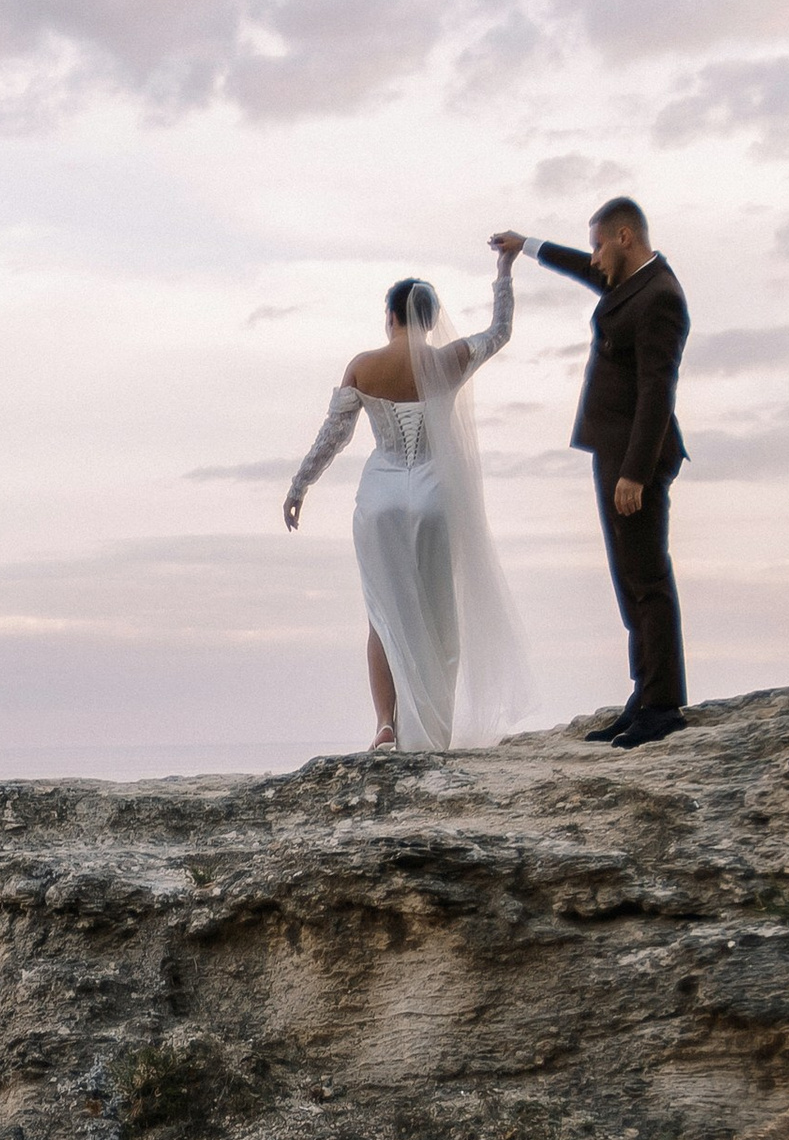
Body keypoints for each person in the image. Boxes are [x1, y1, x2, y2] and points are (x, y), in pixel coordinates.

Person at [282, 253, 532, 749]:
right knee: (440, 614)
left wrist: (299, 486)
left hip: (383, 499)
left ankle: (385, 723)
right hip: (439, 495)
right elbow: (501, 331)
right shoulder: (451, 359)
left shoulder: (364, 366)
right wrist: (504, 269)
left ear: (391, 316)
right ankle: (434, 729)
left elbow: (332, 438)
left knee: (382, 614)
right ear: (432, 319)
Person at [493, 200, 688, 747]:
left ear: (625, 237)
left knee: (647, 578)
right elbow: (588, 268)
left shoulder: (660, 298)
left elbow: (657, 392)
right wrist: (527, 245)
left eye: (601, 244)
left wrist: (635, 472)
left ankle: (664, 705)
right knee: (627, 578)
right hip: (615, 453)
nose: (596, 256)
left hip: (636, 460)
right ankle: (644, 691)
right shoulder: (631, 283)